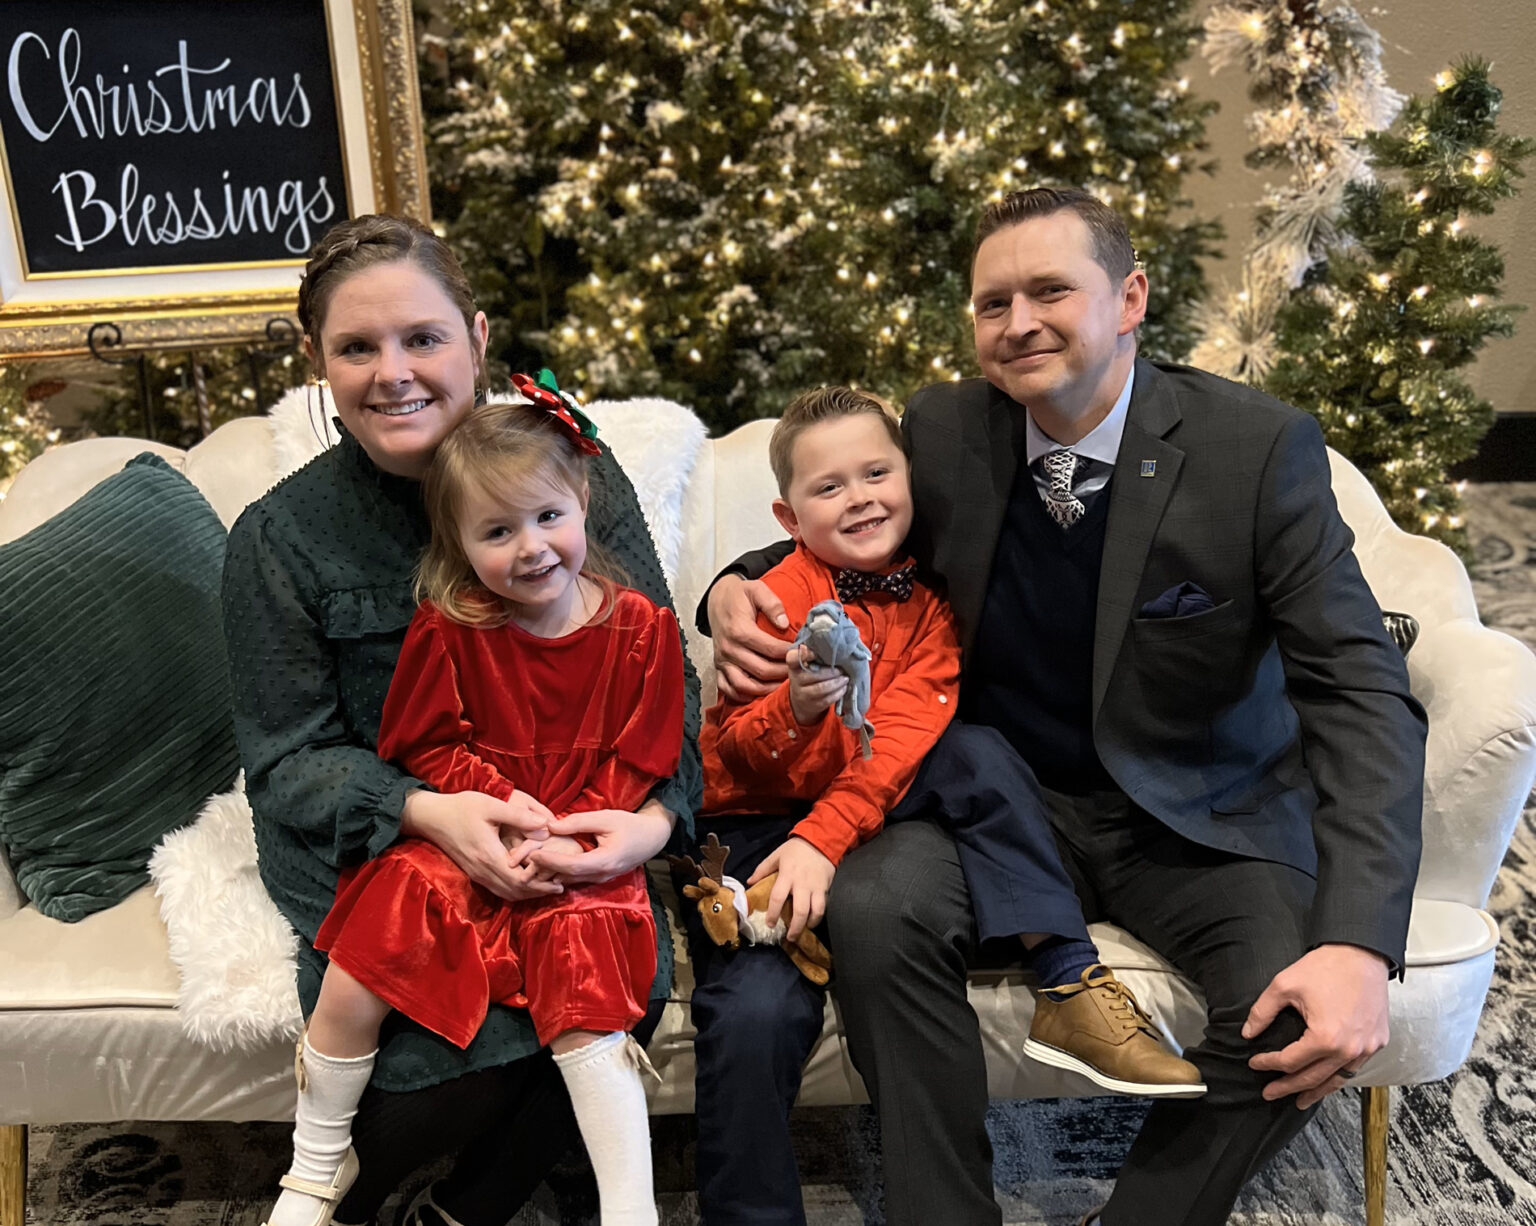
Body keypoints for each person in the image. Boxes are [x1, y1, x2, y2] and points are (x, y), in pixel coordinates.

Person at [704, 188, 1426, 1226]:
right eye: (992, 302)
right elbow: (844, 524)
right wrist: (734, 584)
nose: (1019, 321)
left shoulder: (1254, 449)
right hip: (1001, 798)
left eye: (1050, 289)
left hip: (1202, 808)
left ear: (1129, 296)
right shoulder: (950, 427)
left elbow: (1361, 688)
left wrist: (1358, 942)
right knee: (874, 910)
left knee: (1292, 1006)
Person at [223, 213, 701, 1226]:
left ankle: (469, 1208)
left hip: (574, 826)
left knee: (619, 975)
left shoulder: (574, 472)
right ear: (318, 362)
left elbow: (665, 680)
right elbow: (287, 762)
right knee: (438, 1059)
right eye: (357, 347)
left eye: (423, 337)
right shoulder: (278, 537)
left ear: (478, 339)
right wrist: (432, 813)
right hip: (390, 840)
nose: (394, 372)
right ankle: (363, 1186)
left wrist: (651, 824)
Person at [689, 385, 1204, 1224]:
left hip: (856, 808)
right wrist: (796, 710)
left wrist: (827, 836)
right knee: (754, 1013)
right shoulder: (772, 601)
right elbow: (734, 752)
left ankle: (1067, 974)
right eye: (829, 488)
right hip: (754, 828)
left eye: (876, 473)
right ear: (790, 515)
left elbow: (897, 744)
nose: (859, 497)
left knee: (973, 751)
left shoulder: (930, 607)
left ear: (911, 479)